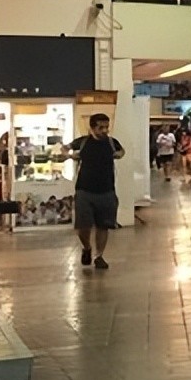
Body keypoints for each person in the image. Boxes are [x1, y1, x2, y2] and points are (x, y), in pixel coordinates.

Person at [67, 113, 123, 269]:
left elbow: (121, 151)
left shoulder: (111, 142)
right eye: (100, 127)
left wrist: (118, 154)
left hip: (106, 190)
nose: (104, 130)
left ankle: (99, 256)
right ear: (92, 128)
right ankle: (87, 247)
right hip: (84, 190)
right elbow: (65, 148)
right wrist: (70, 155)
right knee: (83, 226)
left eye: (106, 127)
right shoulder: (83, 142)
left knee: (103, 225)